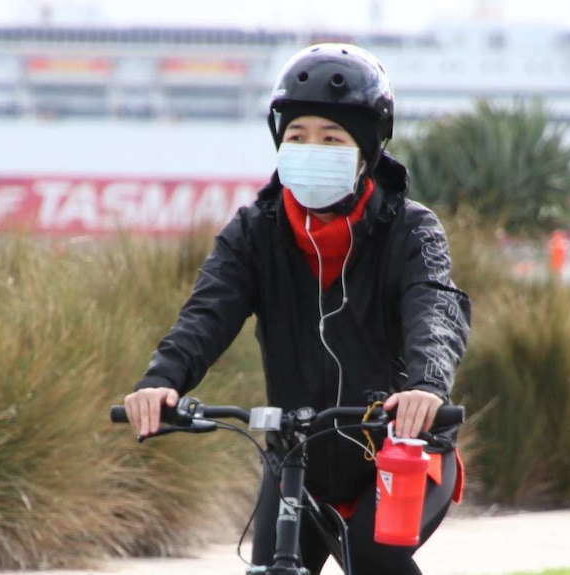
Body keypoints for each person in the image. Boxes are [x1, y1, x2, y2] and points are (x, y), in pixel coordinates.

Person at [123, 43, 471, 575]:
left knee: (374, 558)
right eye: (297, 136)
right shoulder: (253, 232)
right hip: (297, 458)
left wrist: (426, 387)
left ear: (367, 151)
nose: (311, 148)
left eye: (331, 138)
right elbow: (206, 314)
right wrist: (162, 380)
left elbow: (436, 312)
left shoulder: (411, 229)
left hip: (402, 448)